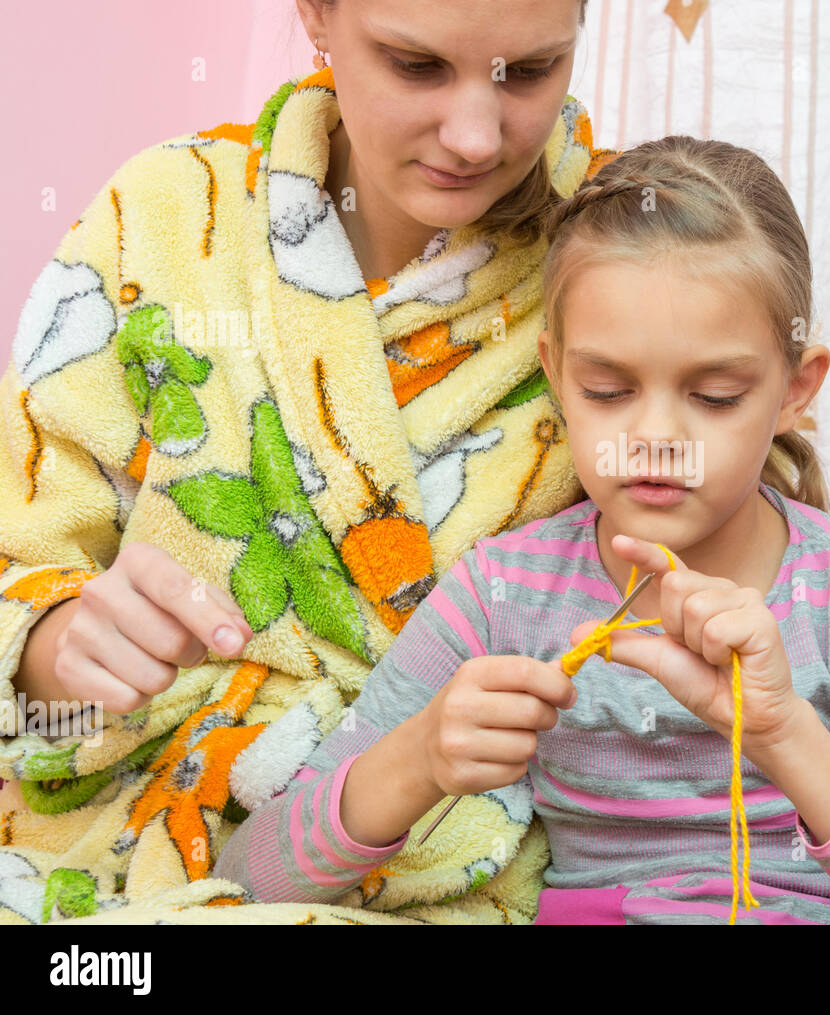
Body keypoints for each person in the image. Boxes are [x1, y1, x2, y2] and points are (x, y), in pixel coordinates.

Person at [213, 134, 830, 925]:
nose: (656, 438)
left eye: (714, 396)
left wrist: (784, 735)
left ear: (794, 390)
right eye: (608, 389)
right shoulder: (502, 594)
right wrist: (415, 759)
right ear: (556, 375)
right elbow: (244, 880)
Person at [0, 0, 606, 924]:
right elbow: (19, 567)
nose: (476, 135)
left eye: (527, 73)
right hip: (98, 847)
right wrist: (57, 647)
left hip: (435, 868)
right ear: (316, 14)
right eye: (415, 65)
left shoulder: (625, 263)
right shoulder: (160, 216)